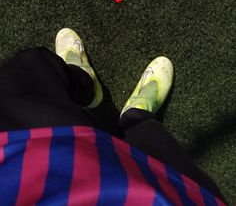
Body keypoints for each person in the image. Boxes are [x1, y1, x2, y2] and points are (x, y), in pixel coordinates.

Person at [0, 27, 227, 205]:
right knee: (159, 158)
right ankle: (136, 117)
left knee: (29, 74)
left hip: (16, 170)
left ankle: (85, 86)